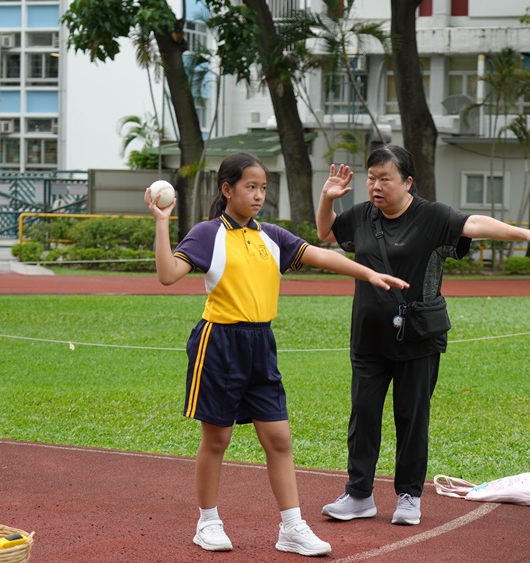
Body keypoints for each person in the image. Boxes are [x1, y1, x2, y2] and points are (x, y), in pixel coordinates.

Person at [146, 152, 408, 556]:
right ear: (227, 189)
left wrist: (368, 273)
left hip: (261, 344)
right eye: (250, 187)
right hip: (219, 343)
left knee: (279, 439)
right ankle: (208, 522)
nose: (258, 195)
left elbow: (321, 254)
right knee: (217, 439)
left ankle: (291, 527)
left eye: (263, 188)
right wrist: (162, 222)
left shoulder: (271, 235)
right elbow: (167, 275)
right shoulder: (206, 234)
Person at [316, 144, 530, 526]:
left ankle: (409, 497)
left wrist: (524, 234)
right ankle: (359, 495)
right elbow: (326, 232)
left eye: (386, 179)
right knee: (363, 416)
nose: (376, 186)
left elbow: (475, 224)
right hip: (368, 337)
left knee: (412, 418)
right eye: (372, 179)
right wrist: (327, 198)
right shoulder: (363, 215)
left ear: (408, 182)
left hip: (418, 338)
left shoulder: (430, 216)